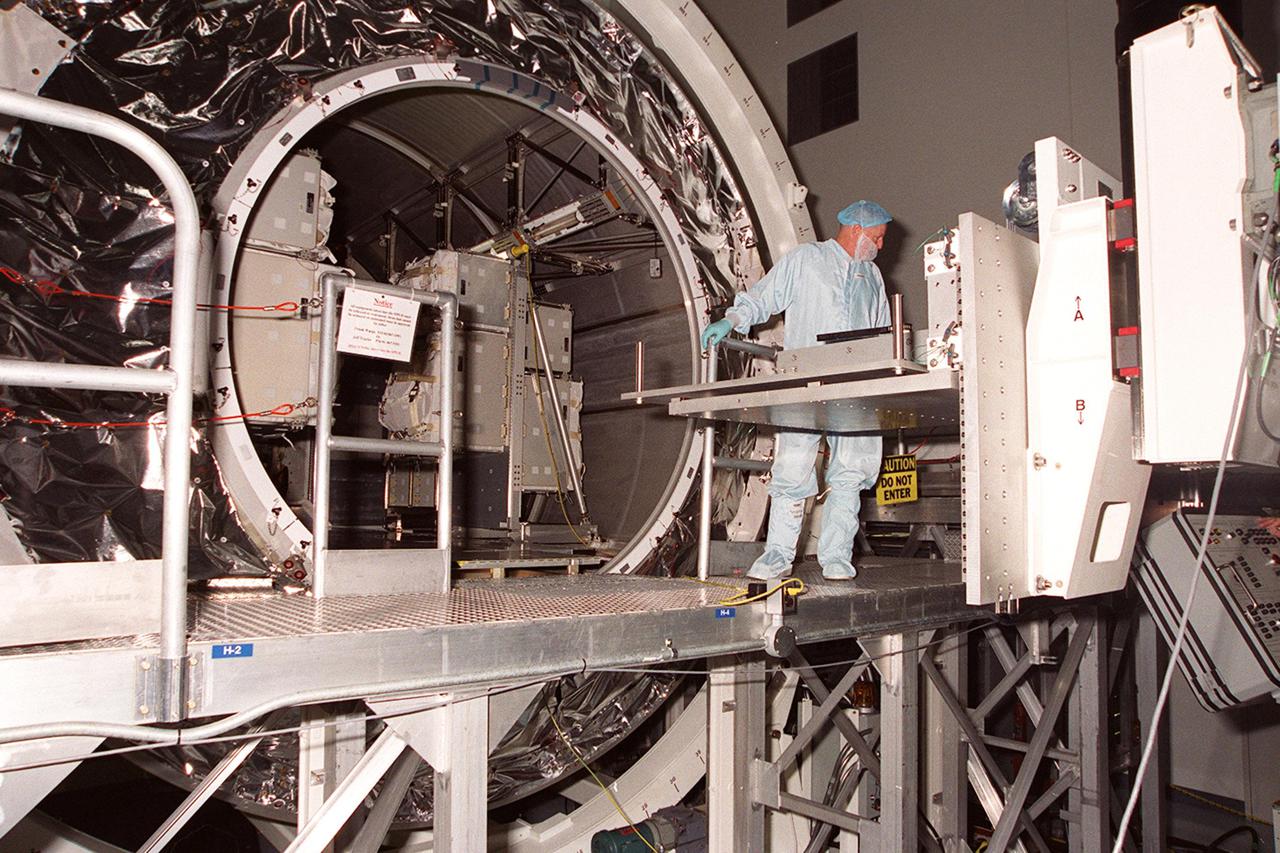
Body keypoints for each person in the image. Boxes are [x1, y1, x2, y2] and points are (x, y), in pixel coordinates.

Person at [701, 200, 892, 581]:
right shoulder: (807, 260)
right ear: (855, 229)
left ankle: (836, 556)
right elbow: (765, 296)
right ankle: (777, 557)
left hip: (857, 385)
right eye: (877, 238)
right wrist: (731, 319)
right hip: (807, 379)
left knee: (851, 473)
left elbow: (883, 331)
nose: (880, 246)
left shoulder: (872, 277)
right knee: (792, 468)